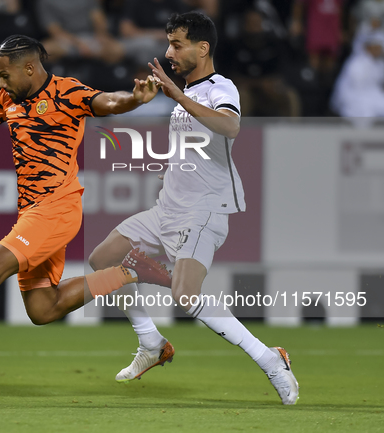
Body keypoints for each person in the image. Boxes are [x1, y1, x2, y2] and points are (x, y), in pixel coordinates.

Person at [0, 34, 171, 391]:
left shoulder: (67, 92)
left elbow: (107, 102)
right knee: (42, 309)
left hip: (56, 209)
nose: (0, 84)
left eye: (5, 76)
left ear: (29, 68)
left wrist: (134, 100)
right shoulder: (10, 98)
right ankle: (124, 273)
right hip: (32, 213)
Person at [89, 12, 300, 405]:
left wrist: (179, 95)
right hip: (167, 207)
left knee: (187, 295)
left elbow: (230, 127)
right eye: (169, 43)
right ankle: (150, 342)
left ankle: (271, 359)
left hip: (204, 210)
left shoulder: (222, 88)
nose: (169, 52)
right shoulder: (182, 99)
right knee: (103, 259)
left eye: (177, 44)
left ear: (202, 48)